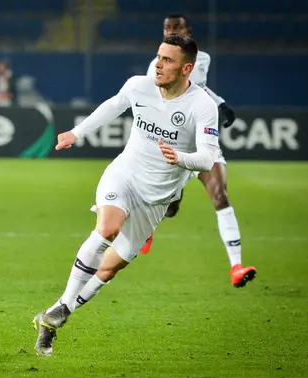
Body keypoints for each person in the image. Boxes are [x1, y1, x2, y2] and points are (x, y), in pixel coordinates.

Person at [33, 35, 226, 357]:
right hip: (125, 175)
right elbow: (114, 105)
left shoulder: (202, 106)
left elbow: (207, 158)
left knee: (109, 270)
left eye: (167, 60)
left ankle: (55, 314)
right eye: (158, 57)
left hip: (158, 197)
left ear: (186, 68)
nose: (159, 65)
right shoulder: (140, 85)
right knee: (107, 228)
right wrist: (76, 133)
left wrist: (180, 158)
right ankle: (61, 308)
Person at [142, 13, 256, 289]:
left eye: (176, 28)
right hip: (175, 141)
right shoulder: (155, 66)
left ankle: (236, 267)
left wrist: (219, 102)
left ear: (188, 31)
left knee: (220, 196)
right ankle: (146, 229)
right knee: (170, 207)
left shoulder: (200, 58)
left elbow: (197, 88)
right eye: (166, 27)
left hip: (203, 142)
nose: (170, 32)